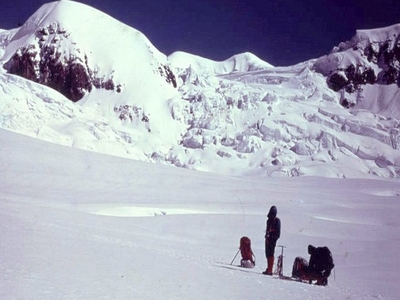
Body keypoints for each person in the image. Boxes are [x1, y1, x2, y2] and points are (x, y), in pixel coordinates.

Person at [262, 205, 281, 275]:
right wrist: (267, 236)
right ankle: (268, 268)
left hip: (273, 239)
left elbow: (278, 232)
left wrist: (273, 236)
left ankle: (270, 269)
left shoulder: (277, 221)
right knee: (267, 253)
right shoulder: (268, 221)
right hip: (268, 238)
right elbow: (267, 229)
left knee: (271, 253)